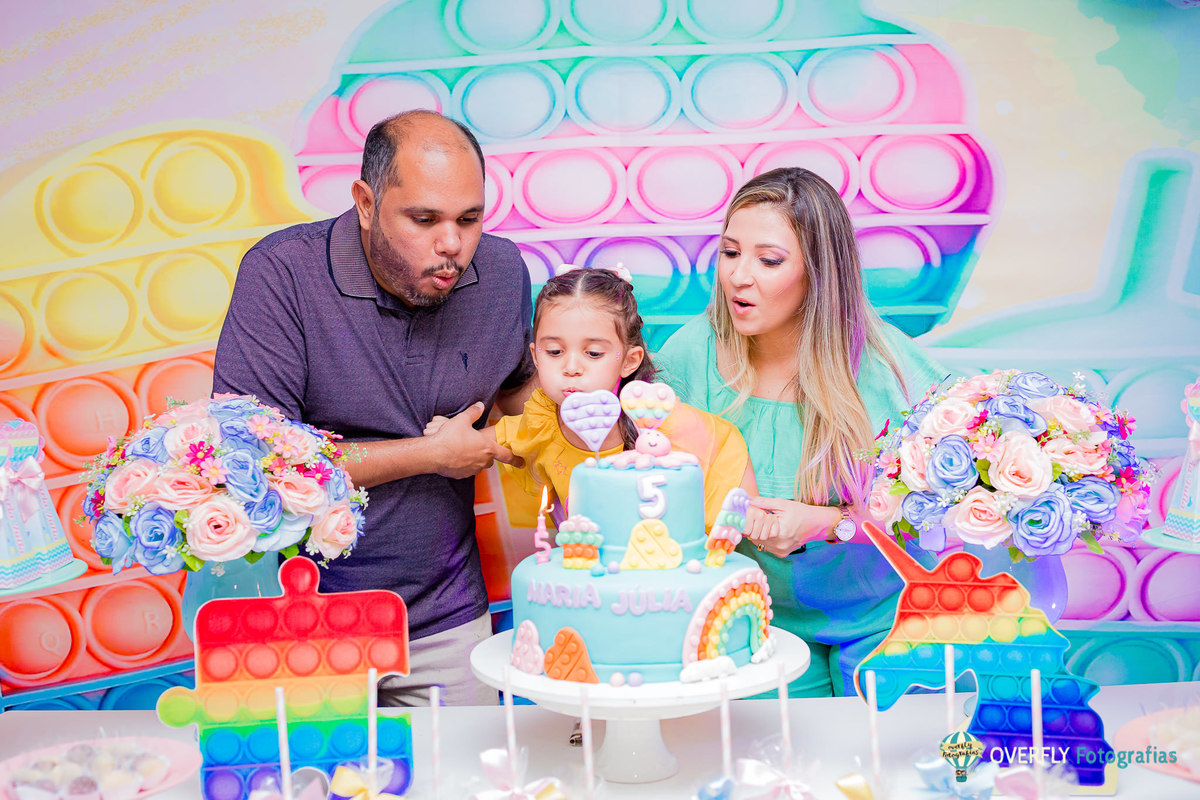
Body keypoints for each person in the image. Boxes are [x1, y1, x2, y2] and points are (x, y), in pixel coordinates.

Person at [212, 110, 534, 706]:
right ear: (365, 201)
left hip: (446, 613)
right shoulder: (282, 275)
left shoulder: (502, 271)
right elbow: (255, 462)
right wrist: (431, 455)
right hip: (301, 619)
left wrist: (578, 395)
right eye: (424, 219)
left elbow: (517, 388)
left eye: (470, 219)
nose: (453, 245)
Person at [654, 167, 947, 697]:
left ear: (819, 272)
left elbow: (938, 511)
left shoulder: (889, 368)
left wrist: (829, 523)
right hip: (754, 624)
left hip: (891, 617)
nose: (739, 276)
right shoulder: (688, 356)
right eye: (729, 252)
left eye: (768, 260)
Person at [426, 266, 755, 532]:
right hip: (589, 588)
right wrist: (451, 434)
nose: (571, 367)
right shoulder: (540, 421)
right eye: (554, 352)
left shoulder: (653, 417)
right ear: (535, 357)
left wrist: (745, 512)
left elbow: (724, 445)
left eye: (593, 353)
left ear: (629, 360)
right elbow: (486, 442)